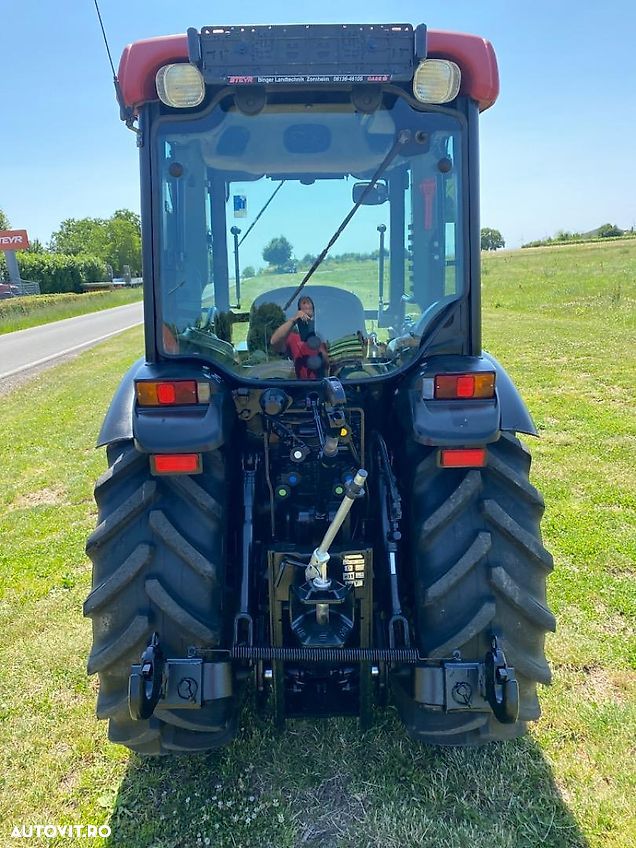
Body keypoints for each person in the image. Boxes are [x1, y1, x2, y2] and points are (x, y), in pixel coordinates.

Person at [270, 295, 328, 379]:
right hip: (301, 385)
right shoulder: (293, 338)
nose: (307, 320)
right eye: (304, 315)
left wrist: (321, 352)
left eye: (310, 316)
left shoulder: (320, 340)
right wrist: (293, 320)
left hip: (321, 384)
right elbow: (274, 342)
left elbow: (329, 367)